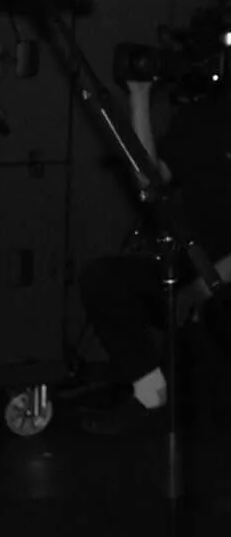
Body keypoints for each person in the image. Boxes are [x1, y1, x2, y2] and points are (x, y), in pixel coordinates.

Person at [78, 77, 231, 434]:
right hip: (190, 263)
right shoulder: (201, 117)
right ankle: (150, 394)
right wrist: (140, 96)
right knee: (105, 281)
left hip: (221, 279)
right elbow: (150, 179)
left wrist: (202, 289)